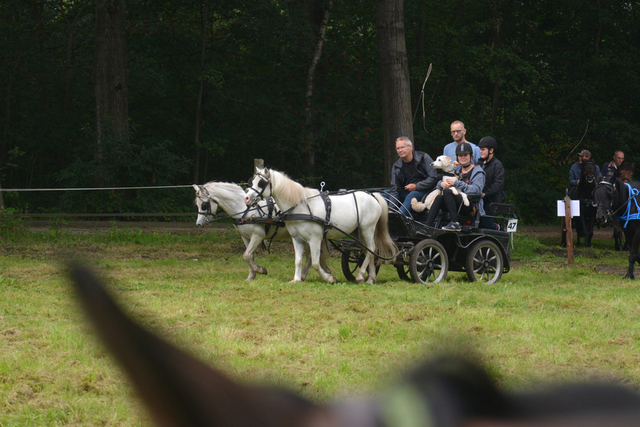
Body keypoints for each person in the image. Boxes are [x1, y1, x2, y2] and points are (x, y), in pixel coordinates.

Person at [424, 142, 485, 231]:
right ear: (457, 157)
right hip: (452, 203)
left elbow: (477, 190)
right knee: (440, 197)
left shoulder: (478, 172)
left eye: (465, 155)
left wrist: (456, 183)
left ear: (471, 156)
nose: (462, 157)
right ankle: (427, 227)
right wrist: (441, 184)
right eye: (460, 156)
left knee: (448, 191)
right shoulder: (455, 169)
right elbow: (441, 180)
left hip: (469, 204)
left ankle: (454, 222)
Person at [386, 136, 438, 217]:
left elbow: (433, 178)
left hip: (425, 191)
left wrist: (417, 186)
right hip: (405, 192)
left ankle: (399, 219)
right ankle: (386, 219)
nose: (400, 150)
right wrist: (391, 209)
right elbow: (394, 188)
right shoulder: (397, 165)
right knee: (384, 195)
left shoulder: (423, 157)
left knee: (412, 195)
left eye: (402, 147)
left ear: (410, 147)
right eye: (398, 148)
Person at [477, 136, 506, 231]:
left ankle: (499, 228)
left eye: (483, 149)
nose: (480, 151)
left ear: (491, 150)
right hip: (479, 198)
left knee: (485, 223)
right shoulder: (479, 163)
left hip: (491, 200)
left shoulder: (497, 165)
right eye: (480, 149)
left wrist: (486, 193)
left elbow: (498, 183)